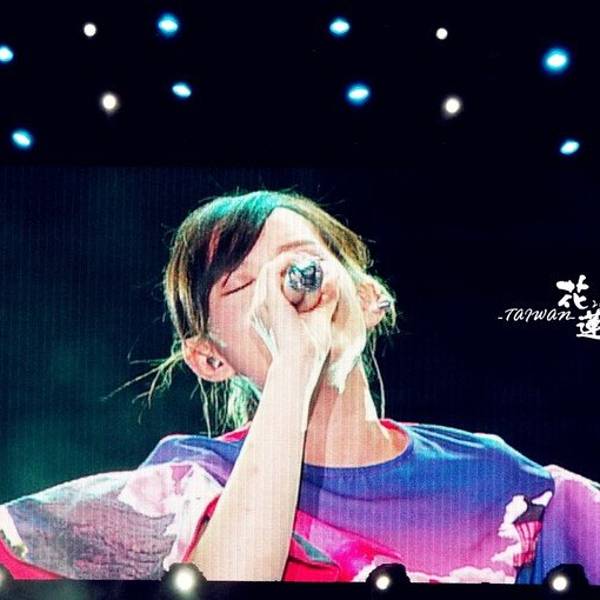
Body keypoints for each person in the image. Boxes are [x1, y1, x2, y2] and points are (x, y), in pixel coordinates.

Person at [1, 191, 598, 583]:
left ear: (368, 297)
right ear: (209, 358)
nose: (284, 293)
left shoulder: (504, 484)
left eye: (300, 264)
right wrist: (294, 364)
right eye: (242, 287)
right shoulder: (194, 483)